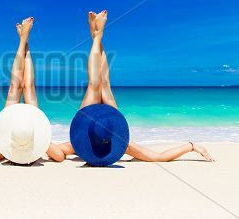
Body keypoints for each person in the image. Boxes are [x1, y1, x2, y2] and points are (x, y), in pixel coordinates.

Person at [48, 10, 215, 163]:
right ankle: (97, 36)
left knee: (96, 83)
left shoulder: (78, 143)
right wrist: (191, 146)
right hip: (106, 118)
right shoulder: (122, 144)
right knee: (102, 83)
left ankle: (97, 36)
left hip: (91, 120)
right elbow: (159, 157)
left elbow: (56, 153)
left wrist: (32, 137)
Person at [0, 17, 65, 163]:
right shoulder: (37, 144)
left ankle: (23, 40)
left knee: (15, 87)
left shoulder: (8, 143)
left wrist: (2, 139)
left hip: (13, 125)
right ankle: (24, 40)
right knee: (28, 87)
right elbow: (60, 157)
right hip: (30, 124)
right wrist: (43, 142)